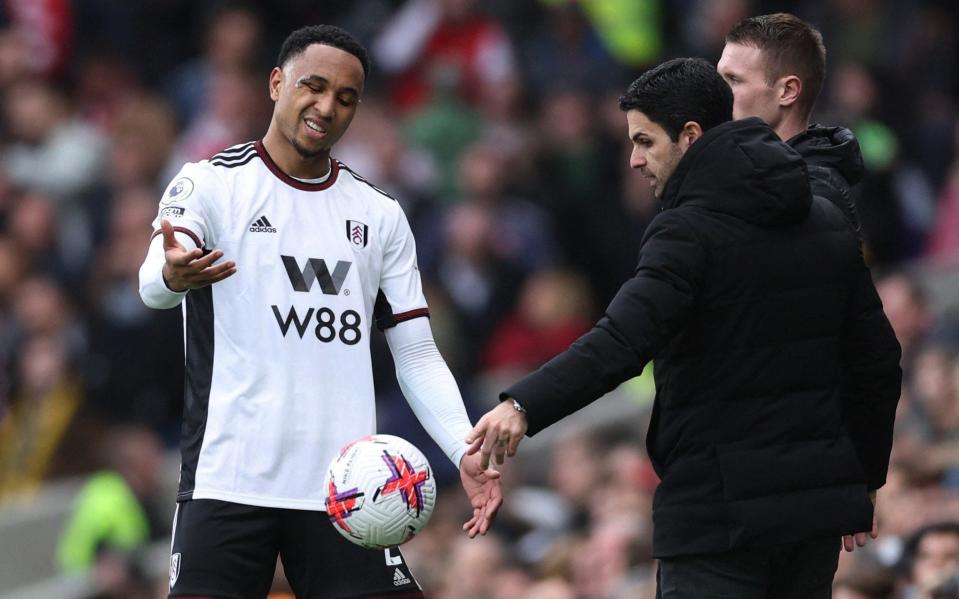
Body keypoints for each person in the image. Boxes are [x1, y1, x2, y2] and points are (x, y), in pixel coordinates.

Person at [466, 57, 902, 598]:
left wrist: (521, 406)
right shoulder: (824, 216)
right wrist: (863, 481)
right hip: (810, 523)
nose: (632, 160)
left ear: (690, 136)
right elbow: (877, 360)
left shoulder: (686, 231)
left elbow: (622, 341)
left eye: (645, 141)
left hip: (717, 518)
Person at [138, 25, 501, 599]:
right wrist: (169, 274)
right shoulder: (209, 183)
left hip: (349, 493)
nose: (327, 106)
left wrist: (462, 448)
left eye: (346, 97)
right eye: (314, 86)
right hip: (228, 482)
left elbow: (417, 354)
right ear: (277, 83)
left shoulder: (379, 215)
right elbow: (153, 282)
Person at [717, 13, 864, 243]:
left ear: (787, 92)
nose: (717, 94)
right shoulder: (731, 175)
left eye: (733, 80)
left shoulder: (815, 197)